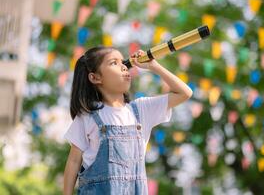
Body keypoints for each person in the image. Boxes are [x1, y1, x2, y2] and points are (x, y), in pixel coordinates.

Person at [63, 45, 193, 195]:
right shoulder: (87, 116)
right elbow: (73, 162)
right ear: (95, 77)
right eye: (114, 63)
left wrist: (153, 66)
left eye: (123, 62)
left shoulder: (141, 109)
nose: (124, 67)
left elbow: (185, 93)